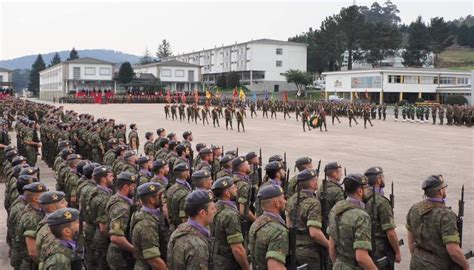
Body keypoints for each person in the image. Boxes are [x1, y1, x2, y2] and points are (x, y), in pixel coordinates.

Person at [406, 175, 469, 270]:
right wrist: (466, 265)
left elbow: (411, 242)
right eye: (444, 188)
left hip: (416, 263)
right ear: (440, 191)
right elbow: (453, 251)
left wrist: (419, 259)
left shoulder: (415, 208)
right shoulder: (446, 215)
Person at [327, 174, 377, 270]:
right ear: (360, 191)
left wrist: (337, 264)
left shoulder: (337, 208)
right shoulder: (361, 216)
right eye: (366, 188)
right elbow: (361, 257)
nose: (369, 191)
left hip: (339, 265)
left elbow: (331, 244)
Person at [286, 169, 328, 270]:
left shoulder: (292, 199)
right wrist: (328, 244)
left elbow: (288, 224)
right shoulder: (313, 203)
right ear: (312, 184)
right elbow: (314, 233)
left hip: (293, 248)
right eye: (316, 180)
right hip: (309, 251)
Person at [167, 190, 216, 269]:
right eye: (212, 209)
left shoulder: (179, 231)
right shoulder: (198, 246)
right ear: (203, 213)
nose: (215, 211)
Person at [364, 166, 401, 269]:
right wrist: (397, 252)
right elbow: (390, 233)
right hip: (381, 249)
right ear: (378, 180)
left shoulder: (361, 196)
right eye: (382, 177)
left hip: (364, 245)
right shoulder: (381, 202)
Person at [211, 177, 250, 270]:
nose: (236, 189)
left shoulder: (214, 208)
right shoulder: (230, 215)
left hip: (216, 259)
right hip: (229, 263)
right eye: (233, 188)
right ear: (227, 193)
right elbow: (237, 249)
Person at [248, 184, 288, 270]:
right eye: (283, 199)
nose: (285, 201)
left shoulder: (256, 223)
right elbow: (275, 266)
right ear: (277, 203)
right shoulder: (278, 230)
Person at [130, 182, 168, 270]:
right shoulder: (146, 224)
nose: (162, 198)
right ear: (152, 200)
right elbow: (153, 259)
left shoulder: (148, 215)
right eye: (160, 196)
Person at [106, 172, 137, 269]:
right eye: (133, 186)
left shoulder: (116, 198)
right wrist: (134, 250)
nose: (135, 189)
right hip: (121, 257)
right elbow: (116, 237)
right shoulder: (121, 208)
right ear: (125, 187)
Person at [16, 182, 49, 269]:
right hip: (31, 265)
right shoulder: (32, 218)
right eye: (45, 194)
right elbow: (33, 252)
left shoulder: (37, 211)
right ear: (36, 198)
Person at [36, 191, 68, 269]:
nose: (66, 203)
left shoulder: (46, 222)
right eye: (63, 202)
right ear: (53, 208)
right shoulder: (52, 230)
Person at [166, 163, 192, 229]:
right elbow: (184, 215)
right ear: (184, 174)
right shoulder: (183, 190)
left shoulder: (172, 188)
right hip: (180, 224)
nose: (189, 172)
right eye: (187, 171)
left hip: (173, 222)